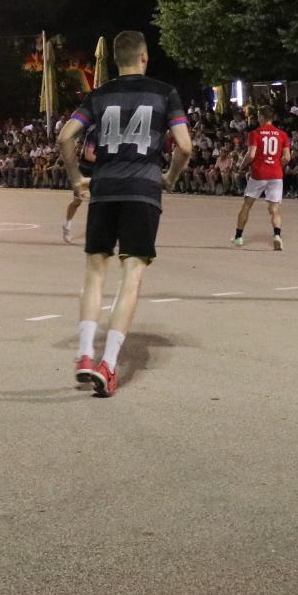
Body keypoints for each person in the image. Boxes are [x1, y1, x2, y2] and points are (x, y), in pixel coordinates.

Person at [58, 29, 191, 397]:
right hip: (143, 189)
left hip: (104, 188)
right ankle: (109, 364)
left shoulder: (100, 94)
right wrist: (170, 177)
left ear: (117, 60)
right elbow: (184, 146)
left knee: (94, 270)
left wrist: (77, 177)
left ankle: (85, 354)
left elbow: (66, 136)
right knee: (131, 275)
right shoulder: (165, 93)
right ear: (145, 57)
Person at [232, 109, 288, 250]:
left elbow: (251, 155)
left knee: (247, 205)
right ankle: (277, 235)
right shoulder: (282, 134)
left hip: (259, 174)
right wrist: (275, 165)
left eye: (258, 116)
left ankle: (238, 237)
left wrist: (242, 166)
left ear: (262, 117)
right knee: (274, 209)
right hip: (276, 175)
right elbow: (287, 158)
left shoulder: (255, 133)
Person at [62, 131, 96, 244]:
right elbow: (89, 155)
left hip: (99, 171)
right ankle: (67, 226)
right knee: (77, 201)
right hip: (85, 170)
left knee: (102, 202)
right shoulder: (95, 132)